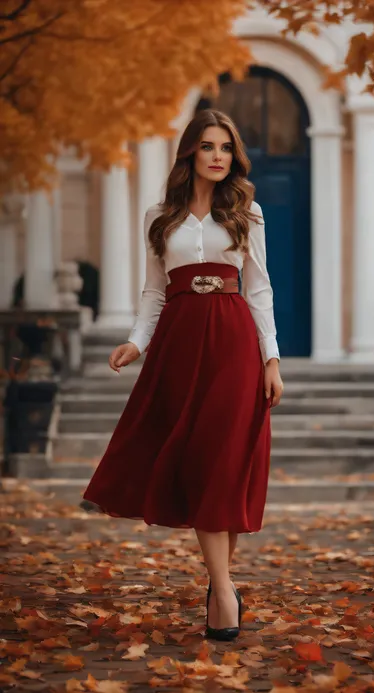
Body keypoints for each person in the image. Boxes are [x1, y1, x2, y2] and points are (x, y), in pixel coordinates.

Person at [82, 109, 284, 641]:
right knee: (198, 464)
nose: (218, 157)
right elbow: (153, 291)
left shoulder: (249, 213)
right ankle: (225, 589)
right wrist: (136, 341)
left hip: (234, 343)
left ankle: (220, 590)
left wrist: (272, 358)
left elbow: (259, 288)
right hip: (177, 344)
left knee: (222, 463)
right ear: (190, 154)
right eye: (207, 148)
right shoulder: (160, 217)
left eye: (225, 148)